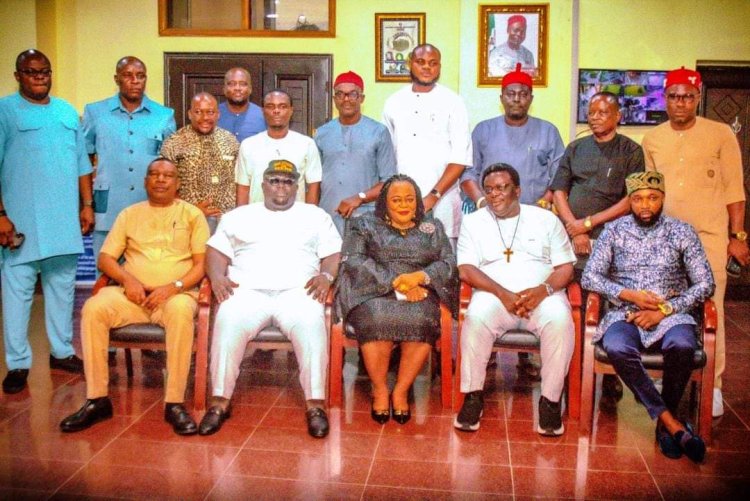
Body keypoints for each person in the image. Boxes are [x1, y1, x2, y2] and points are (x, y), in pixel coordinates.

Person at [59, 158, 209, 435]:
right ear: (145, 181)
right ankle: (97, 399)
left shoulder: (192, 215)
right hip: (133, 297)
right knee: (94, 308)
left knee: (179, 312)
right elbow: (105, 258)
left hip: (175, 295)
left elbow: (202, 265)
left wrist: (173, 286)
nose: (161, 179)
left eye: (167, 176)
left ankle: (174, 403)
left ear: (178, 184)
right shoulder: (129, 214)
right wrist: (128, 280)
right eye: (154, 174)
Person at [201, 159, 341, 438]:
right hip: (247, 291)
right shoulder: (239, 215)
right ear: (262, 184)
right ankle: (219, 402)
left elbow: (331, 253)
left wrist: (326, 276)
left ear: (297, 186)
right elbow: (216, 251)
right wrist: (217, 277)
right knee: (227, 321)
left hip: (298, 292)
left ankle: (315, 405)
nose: (281, 186)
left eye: (288, 181)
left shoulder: (315, 215)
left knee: (313, 327)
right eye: (275, 180)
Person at [582, 171, 714, 463]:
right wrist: (629, 295)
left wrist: (663, 310)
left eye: (653, 198)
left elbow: (706, 284)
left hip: (671, 315)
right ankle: (671, 423)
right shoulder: (614, 231)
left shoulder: (682, 231)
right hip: (624, 312)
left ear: (663, 198)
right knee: (616, 347)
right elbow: (590, 277)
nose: (645, 205)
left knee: (681, 346)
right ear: (629, 201)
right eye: (638, 199)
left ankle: (666, 423)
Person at [642, 66, 748, 418]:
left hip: (710, 237)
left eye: (687, 96)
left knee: (709, 307)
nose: (681, 103)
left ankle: (713, 385)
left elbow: (734, 189)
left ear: (698, 97)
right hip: (666, 239)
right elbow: (649, 191)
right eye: (674, 97)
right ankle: (666, 374)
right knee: (664, 305)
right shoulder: (653, 139)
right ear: (665, 99)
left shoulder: (720, 134)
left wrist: (738, 236)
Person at [454, 164, 576, 436]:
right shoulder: (474, 222)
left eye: (501, 188)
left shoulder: (545, 219)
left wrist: (541, 291)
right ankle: (473, 396)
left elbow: (565, 267)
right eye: (489, 189)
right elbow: (466, 269)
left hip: (543, 295)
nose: (494, 195)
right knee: (475, 317)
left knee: (560, 319)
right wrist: (502, 294)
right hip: (495, 296)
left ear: (517, 190)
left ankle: (550, 402)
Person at [0, 49, 93, 394]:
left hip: (62, 222)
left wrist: (86, 205)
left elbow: (83, 164)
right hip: (19, 224)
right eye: (31, 71)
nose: (39, 77)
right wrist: (1, 216)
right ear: (18, 75)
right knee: (17, 296)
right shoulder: (5, 111)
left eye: (44, 71)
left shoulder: (67, 112)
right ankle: (18, 363)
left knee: (61, 291)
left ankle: (62, 351)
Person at [336, 174, 458, 424]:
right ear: (384, 203)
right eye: (397, 200)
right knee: (377, 316)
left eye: (409, 199)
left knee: (423, 318)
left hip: (420, 290)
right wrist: (397, 282)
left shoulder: (433, 227)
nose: (404, 205)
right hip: (372, 290)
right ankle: (380, 389)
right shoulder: (363, 224)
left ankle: (401, 390)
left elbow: (448, 263)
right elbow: (355, 260)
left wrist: (420, 276)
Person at [551, 91, 644, 401]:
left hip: (611, 238)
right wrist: (573, 226)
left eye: (604, 111)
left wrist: (588, 224)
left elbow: (631, 198)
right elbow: (559, 192)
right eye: (591, 111)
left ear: (618, 116)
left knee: (608, 304)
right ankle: (568, 367)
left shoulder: (631, 151)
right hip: (571, 236)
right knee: (570, 301)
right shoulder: (576, 147)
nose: (596, 116)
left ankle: (610, 370)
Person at [83, 56, 176, 261]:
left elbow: (172, 166)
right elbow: (83, 161)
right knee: (106, 272)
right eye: (128, 75)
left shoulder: (163, 115)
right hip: (108, 208)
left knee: (148, 271)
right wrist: (87, 204)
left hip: (150, 207)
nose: (135, 81)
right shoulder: (96, 112)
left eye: (140, 76)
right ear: (117, 79)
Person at [382, 44, 472, 243]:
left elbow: (460, 158)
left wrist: (433, 196)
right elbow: (387, 156)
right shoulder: (394, 102)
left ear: (439, 67)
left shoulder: (453, 102)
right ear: (410, 65)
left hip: (443, 201)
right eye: (420, 62)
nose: (426, 68)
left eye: (433, 63)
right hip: (401, 203)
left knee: (444, 265)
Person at [462, 63, 564, 212]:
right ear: (501, 97)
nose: (517, 99)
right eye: (511, 94)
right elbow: (468, 173)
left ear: (531, 98)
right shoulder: (483, 130)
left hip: (535, 213)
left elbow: (560, 177)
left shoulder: (548, 132)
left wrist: (542, 204)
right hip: (490, 213)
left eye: (523, 94)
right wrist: (483, 203)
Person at [315, 71, 397, 235]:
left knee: (362, 260)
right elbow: (313, 180)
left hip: (365, 218)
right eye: (340, 94)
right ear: (334, 99)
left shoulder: (378, 132)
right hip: (327, 217)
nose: (346, 99)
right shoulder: (321, 133)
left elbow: (389, 181)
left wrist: (359, 197)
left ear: (361, 98)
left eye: (352, 94)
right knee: (330, 260)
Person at [160, 92, 239, 233]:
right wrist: (192, 210)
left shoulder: (231, 141)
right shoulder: (174, 142)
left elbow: (241, 181)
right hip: (187, 221)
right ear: (190, 114)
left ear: (218, 114)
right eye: (198, 112)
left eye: (210, 112)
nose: (205, 118)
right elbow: (165, 185)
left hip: (227, 222)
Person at [236, 89, 322, 206]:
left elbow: (313, 186)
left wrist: (309, 219)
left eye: (282, 106)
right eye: (270, 107)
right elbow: (243, 188)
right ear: (263, 111)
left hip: (294, 219)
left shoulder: (306, 144)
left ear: (291, 110)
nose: (276, 111)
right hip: (258, 219)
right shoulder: (248, 145)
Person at [217, 67, 266, 143]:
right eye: (232, 84)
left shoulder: (264, 115)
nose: (237, 88)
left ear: (250, 89)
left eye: (243, 84)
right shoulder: (212, 114)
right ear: (224, 89)